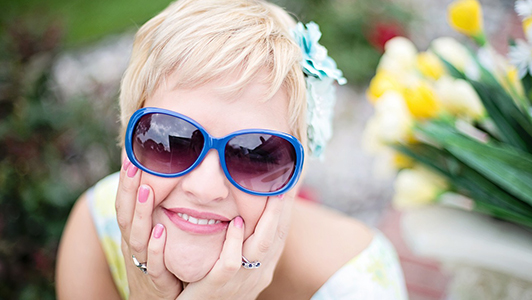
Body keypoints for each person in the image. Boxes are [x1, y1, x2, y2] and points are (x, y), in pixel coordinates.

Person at [55, 0, 407, 299]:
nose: (204, 188)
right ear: (126, 138)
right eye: (170, 140)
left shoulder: (358, 285)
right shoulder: (95, 229)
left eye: (253, 155)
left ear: (298, 173)